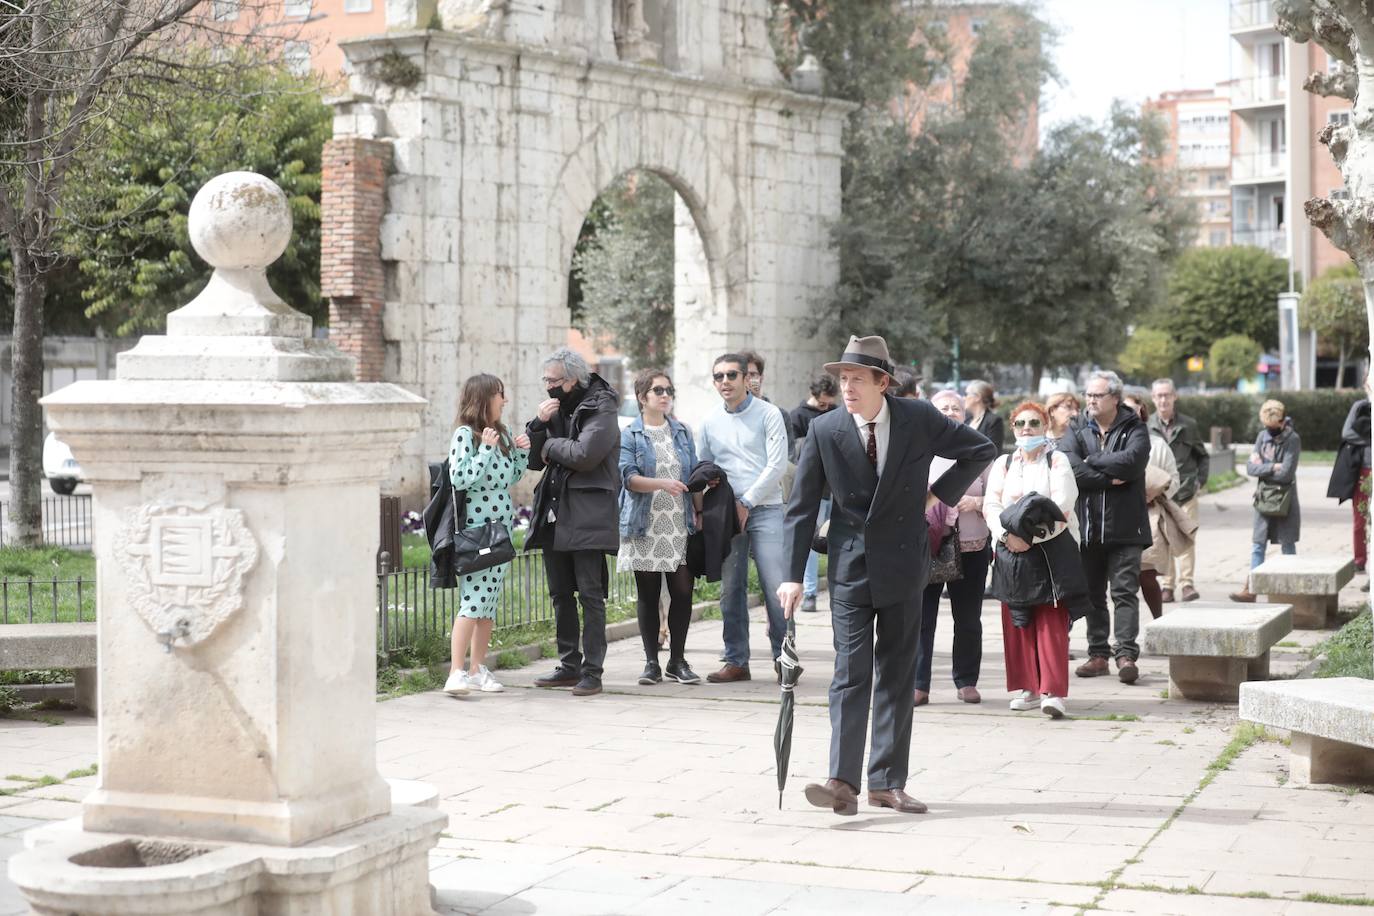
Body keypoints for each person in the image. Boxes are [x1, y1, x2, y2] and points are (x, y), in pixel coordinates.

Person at [779, 335, 996, 816]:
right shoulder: (825, 429)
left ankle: (886, 782)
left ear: (883, 382)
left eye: (857, 378)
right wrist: (793, 575)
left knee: (897, 676)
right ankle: (841, 781)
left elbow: (981, 449)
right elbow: (799, 509)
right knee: (849, 674)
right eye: (842, 378)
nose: (847, 387)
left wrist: (937, 494)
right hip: (850, 568)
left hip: (904, 564)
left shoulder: (917, 418)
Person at [526, 348, 622, 698]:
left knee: (590, 596)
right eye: (546, 380)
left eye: (553, 381)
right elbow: (534, 460)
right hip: (554, 511)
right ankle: (569, 665)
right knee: (560, 594)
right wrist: (538, 424)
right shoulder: (553, 408)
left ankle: (592, 672)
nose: (548, 386)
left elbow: (585, 455)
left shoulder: (603, 406)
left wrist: (549, 443)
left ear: (572, 380)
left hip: (588, 514)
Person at [696, 352, 790, 683]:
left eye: (731, 375)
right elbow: (704, 466)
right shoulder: (708, 421)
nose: (725, 382)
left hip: (766, 509)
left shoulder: (769, 415)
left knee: (777, 587)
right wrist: (704, 508)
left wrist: (747, 500)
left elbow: (777, 465)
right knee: (730, 589)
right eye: (718, 376)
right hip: (727, 515)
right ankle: (736, 660)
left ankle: (784, 657)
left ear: (746, 379)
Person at [983, 401, 1081, 718]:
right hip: (1010, 551)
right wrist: (1005, 535)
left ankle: (1051, 690)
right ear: (1013, 428)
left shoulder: (1057, 461)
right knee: (1017, 621)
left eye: (1034, 423)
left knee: (1050, 622)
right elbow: (991, 504)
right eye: (1021, 423)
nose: (1027, 429)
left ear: (1045, 427)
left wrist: (1030, 537)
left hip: (1049, 551)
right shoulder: (1003, 464)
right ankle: (1028, 688)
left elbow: (1062, 506)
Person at [1058, 370, 1151, 685]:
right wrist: (1106, 475)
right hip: (1086, 528)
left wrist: (1089, 462)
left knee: (1124, 592)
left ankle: (1125, 654)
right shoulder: (1076, 426)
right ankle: (1098, 654)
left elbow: (1133, 463)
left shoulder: (1135, 427)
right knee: (1093, 594)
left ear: (1115, 398)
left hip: (1126, 528)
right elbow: (1068, 464)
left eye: (1097, 395)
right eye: (1088, 395)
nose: (1090, 400)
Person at [443, 374, 532, 697]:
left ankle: (477, 669)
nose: (504, 400)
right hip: (477, 531)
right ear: (483, 398)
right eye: (499, 395)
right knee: (473, 600)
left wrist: (520, 453)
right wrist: (485, 451)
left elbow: (509, 477)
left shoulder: (500, 434)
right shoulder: (466, 435)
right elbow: (460, 477)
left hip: (500, 531)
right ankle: (456, 672)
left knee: (488, 604)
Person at [618, 368, 702, 686]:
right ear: (642, 398)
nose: (665, 395)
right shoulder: (631, 434)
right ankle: (652, 662)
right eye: (658, 391)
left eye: (668, 390)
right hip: (645, 523)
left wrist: (700, 514)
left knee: (682, 591)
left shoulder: (681, 431)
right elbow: (628, 477)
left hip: (677, 523)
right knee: (648, 594)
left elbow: (692, 477)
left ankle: (677, 661)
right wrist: (662, 483)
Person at [913, 389, 993, 707]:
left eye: (955, 408)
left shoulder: (978, 449)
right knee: (922, 617)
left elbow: (999, 496)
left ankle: (967, 680)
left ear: (965, 414)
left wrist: (976, 502)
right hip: (927, 546)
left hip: (972, 546)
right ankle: (919, 683)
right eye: (942, 408)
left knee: (969, 618)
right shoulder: (918, 450)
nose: (949, 412)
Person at [1232, 400, 1302, 602]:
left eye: (1273, 427)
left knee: (1287, 544)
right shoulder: (1262, 436)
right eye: (1266, 426)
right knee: (1258, 544)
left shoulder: (1293, 439)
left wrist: (1265, 468)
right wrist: (1273, 467)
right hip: (1263, 499)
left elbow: (1287, 474)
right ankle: (1251, 589)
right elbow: (1250, 468)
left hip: (1285, 500)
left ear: (1282, 421)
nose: (1269, 430)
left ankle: (1291, 590)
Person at [1149, 378, 1209, 601]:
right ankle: (1167, 585)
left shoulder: (1188, 425)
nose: (1163, 399)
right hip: (1159, 494)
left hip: (1185, 491)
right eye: (1159, 395)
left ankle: (1187, 584)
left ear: (1175, 396)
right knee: (1163, 538)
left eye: (1167, 395)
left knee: (1185, 537)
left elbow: (1202, 455)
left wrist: (1199, 481)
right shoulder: (1147, 426)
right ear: (1153, 398)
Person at [1122, 392, 1180, 621]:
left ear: (1142, 413)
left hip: (1149, 517)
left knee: (1146, 575)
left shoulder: (1157, 445)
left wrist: (1156, 491)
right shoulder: (1107, 442)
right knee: (1123, 582)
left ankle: (1158, 622)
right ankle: (1125, 634)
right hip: (1117, 517)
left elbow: (1174, 479)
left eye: (1133, 410)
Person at [790, 374, 838, 613]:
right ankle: (810, 592)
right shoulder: (798, 416)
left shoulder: (837, 412)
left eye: (829, 403)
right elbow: (795, 454)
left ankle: (836, 588)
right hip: (815, 489)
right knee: (811, 540)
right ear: (815, 394)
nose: (826, 407)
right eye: (822, 402)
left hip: (836, 489)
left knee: (835, 540)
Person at [1329, 394, 1371, 573]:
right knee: (1360, 521)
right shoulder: (1361, 406)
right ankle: (1360, 560)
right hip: (1364, 473)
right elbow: (1347, 433)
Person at [965, 379, 1005, 453]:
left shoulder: (994, 421)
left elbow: (994, 451)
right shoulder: (966, 419)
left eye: (967, 394)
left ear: (977, 397)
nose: (964, 398)